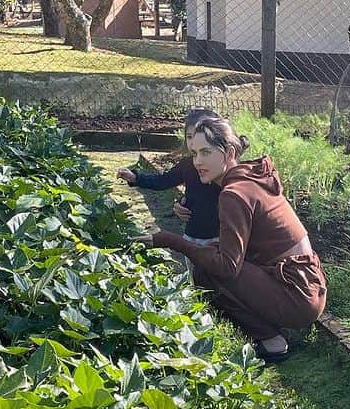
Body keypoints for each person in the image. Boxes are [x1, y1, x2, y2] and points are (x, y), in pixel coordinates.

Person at [147, 117, 326, 362]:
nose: (197, 161)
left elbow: (227, 268)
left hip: (296, 295)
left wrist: (170, 240)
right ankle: (272, 328)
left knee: (206, 271)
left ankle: (271, 340)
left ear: (229, 152)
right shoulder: (250, 178)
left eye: (206, 152)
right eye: (194, 153)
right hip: (308, 286)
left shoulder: (234, 193)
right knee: (212, 252)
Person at [116, 108, 221, 245]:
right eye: (190, 137)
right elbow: (164, 180)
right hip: (192, 235)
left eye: (199, 136)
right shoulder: (187, 165)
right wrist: (136, 178)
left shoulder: (224, 170)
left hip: (219, 238)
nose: (194, 142)